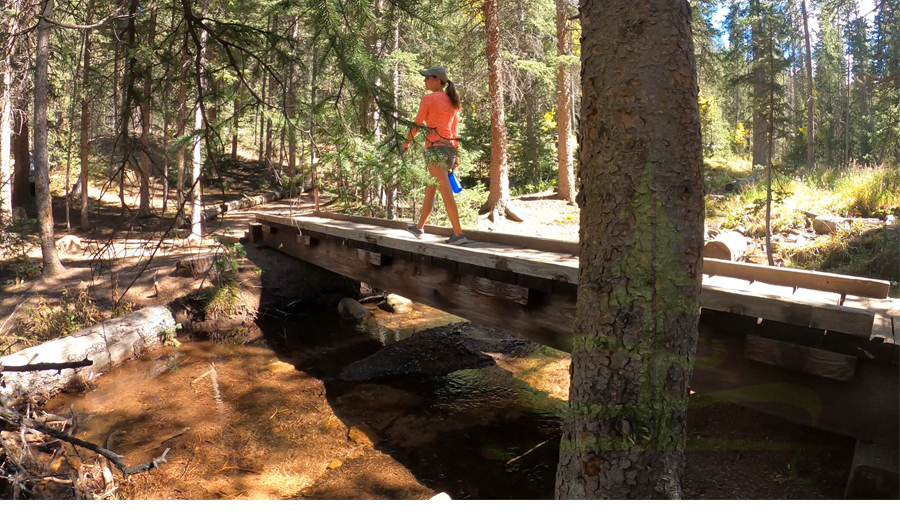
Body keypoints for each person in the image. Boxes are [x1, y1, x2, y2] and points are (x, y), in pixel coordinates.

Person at [403, 66, 467, 245]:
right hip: (449, 151)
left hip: (435, 150)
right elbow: (454, 131)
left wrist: (406, 141)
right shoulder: (453, 101)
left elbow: (417, 124)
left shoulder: (429, 99)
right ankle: (419, 228)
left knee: (446, 193)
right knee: (430, 190)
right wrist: (457, 155)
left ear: (437, 80)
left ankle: (459, 234)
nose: (425, 81)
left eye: (427, 78)